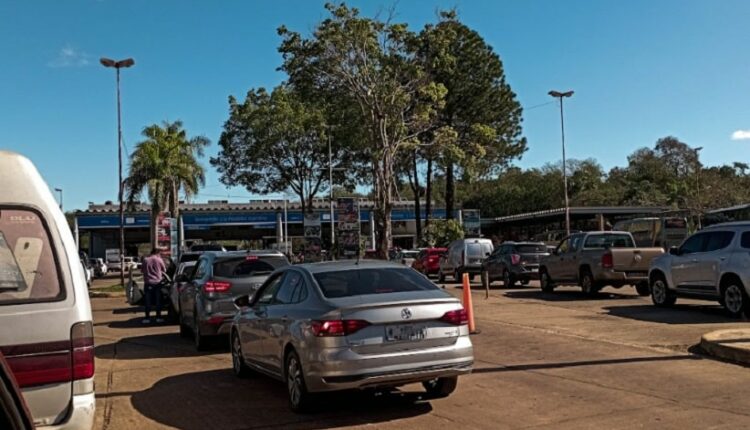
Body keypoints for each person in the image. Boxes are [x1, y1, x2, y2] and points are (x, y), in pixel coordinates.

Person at [141, 249, 166, 324]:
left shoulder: (145, 260)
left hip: (148, 283)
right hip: (158, 283)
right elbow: (164, 270)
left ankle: (147, 318)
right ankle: (158, 317)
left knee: (147, 301)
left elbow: (142, 271)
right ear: (157, 253)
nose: (160, 255)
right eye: (160, 254)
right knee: (158, 300)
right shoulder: (159, 260)